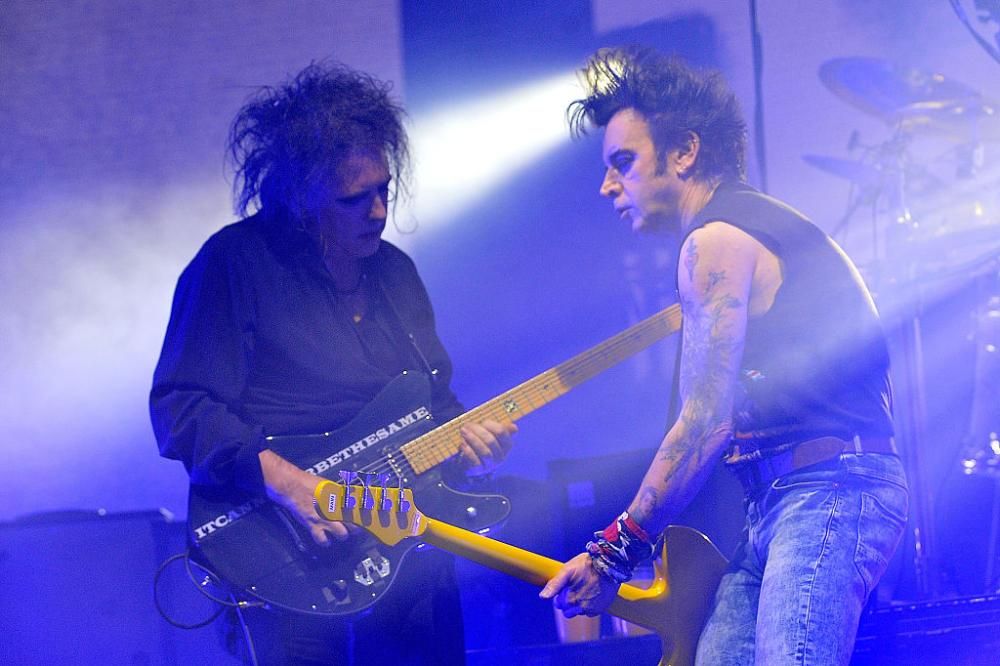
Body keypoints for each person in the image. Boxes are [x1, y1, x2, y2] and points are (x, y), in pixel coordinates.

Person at [540, 46, 909, 665]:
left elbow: (703, 423)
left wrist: (610, 554)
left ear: (684, 151)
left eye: (623, 162)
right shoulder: (748, 226)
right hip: (777, 501)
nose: (608, 186)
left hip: (827, 490)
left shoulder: (716, 240)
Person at [150, 61, 516, 665]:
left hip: (410, 557)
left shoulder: (395, 273)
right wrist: (292, 485)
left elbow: (434, 403)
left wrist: (472, 446)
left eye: (383, 191)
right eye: (353, 198)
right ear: (301, 199)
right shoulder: (233, 264)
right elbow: (182, 408)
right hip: (291, 560)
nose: (377, 211)